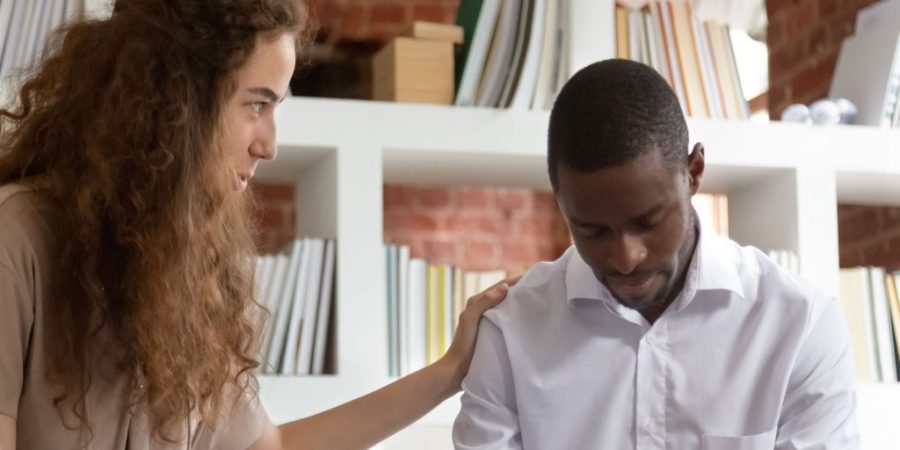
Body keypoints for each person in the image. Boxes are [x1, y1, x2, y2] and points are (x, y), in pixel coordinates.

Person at [0, 0, 513, 449]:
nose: (269, 143)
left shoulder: (184, 271)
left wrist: (450, 372)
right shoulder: (15, 238)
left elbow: (270, 448)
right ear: (173, 106)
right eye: (256, 105)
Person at [453, 59, 860, 449]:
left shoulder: (800, 323)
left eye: (648, 221)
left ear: (694, 172)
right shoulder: (511, 332)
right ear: (560, 201)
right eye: (593, 230)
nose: (626, 258)